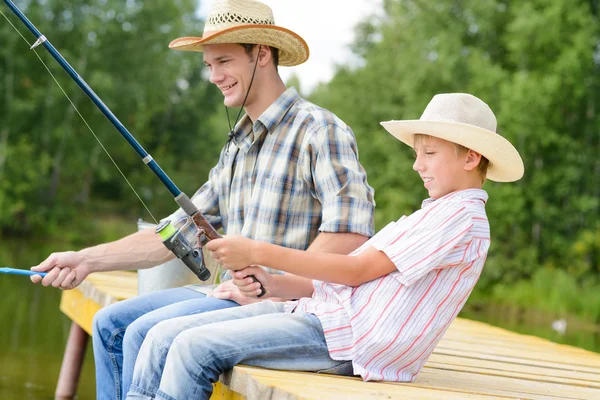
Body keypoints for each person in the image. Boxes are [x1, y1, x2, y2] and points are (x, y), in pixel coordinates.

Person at [29, 1, 375, 399]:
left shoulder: (319, 130)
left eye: (223, 61)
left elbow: (351, 234)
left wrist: (275, 284)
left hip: (288, 309)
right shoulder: (237, 145)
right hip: (229, 295)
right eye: (208, 65)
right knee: (110, 323)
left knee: (143, 333)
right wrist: (86, 260)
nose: (214, 76)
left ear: (262, 54)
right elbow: (175, 232)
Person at [123, 93, 524, 400]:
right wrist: (274, 284)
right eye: (417, 153)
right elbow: (350, 282)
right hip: (327, 320)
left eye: (429, 154)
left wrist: (257, 251)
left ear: (471, 157)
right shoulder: (432, 214)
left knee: (192, 346)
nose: (417, 165)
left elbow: (355, 271)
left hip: (350, 341)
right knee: (161, 335)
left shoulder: (462, 219)